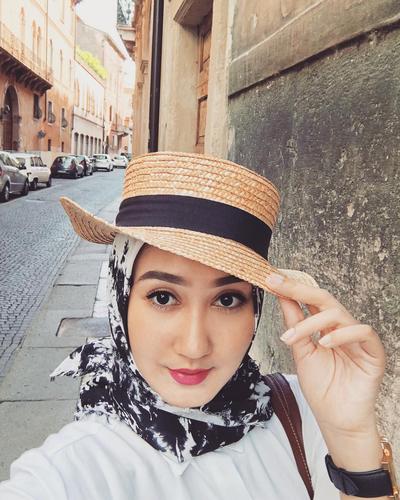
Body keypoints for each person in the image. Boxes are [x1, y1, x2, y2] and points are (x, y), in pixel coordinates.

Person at [0, 152, 396, 500]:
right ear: (121, 299)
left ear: (255, 309)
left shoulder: (305, 411)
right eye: (163, 297)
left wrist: (351, 438)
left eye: (227, 300)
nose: (194, 346)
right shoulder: (72, 470)